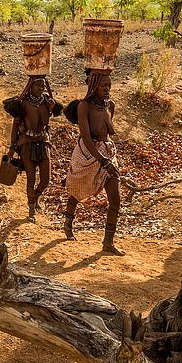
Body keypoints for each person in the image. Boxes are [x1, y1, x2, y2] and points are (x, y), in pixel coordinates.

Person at [63, 69, 124, 255]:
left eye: (109, 85)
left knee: (116, 199)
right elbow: (87, 138)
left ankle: (108, 242)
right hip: (88, 154)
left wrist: (107, 159)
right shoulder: (84, 106)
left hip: (107, 153)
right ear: (93, 85)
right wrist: (102, 160)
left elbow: (105, 135)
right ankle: (68, 221)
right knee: (79, 191)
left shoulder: (110, 105)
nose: (108, 88)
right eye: (103, 85)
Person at [5, 75, 61, 220]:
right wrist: (12, 147)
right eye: (38, 85)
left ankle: (35, 198)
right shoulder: (22, 103)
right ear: (31, 87)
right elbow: (16, 125)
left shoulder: (48, 102)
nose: (41, 88)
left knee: (45, 180)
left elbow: (49, 118)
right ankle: (31, 210)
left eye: (43, 86)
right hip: (27, 143)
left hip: (43, 142)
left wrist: (51, 108)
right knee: (31, 179)